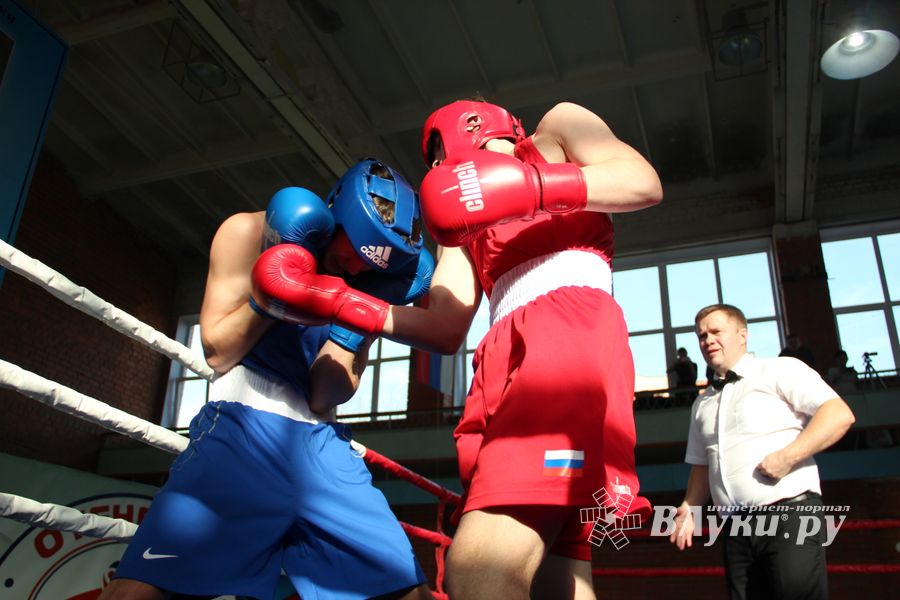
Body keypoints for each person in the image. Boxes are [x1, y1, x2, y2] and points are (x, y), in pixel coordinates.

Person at [257, 99, 663, 599]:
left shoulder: (556, 130)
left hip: (567, 335)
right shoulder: (456, 223)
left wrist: (530, 187)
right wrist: (343, 302)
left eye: (437, 154)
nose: (437, 167)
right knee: (560, 579)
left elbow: (643, 182)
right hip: (499, 357)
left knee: (478, 569)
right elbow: (446, 327)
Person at [99, 159, 435, 600]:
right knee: (141, 591)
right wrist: (271, 296)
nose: (354, 267)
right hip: (240, 430)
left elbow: (323, 395)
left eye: (371, 263)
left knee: (408, 591)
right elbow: (218, 351)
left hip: (322, 443)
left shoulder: (367, 283)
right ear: (337, 209)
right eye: (355, 246)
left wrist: (351, 328)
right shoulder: (247, 233)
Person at [669, 304, 856, 600]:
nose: (708, 340)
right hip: (735, 526)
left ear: (743, 335)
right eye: (702, 336)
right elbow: (702, 465)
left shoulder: (779, 369)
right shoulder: (702, 403)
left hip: (790, 511)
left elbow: (838, 414)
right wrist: (690, 506)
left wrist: (788, 456)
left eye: (716, 331)